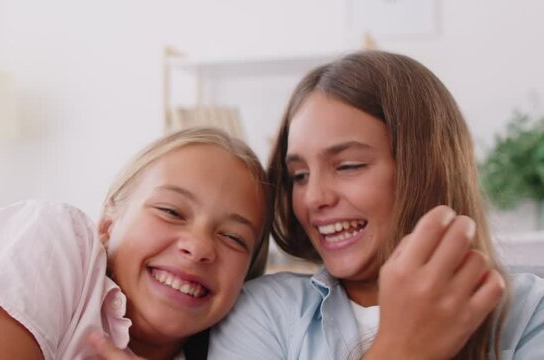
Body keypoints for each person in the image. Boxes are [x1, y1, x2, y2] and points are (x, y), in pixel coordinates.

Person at [208, 50, 544, 359]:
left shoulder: (530, 313)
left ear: (427, 167)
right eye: (299, 176)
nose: (313, 198)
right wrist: (401, 348)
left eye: (348, 166)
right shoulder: (265, 311)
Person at [0, 127, 271, 359]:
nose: (199, 246)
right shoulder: (59, 238)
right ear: (109, 222)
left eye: (234, 237)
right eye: (171, 211)